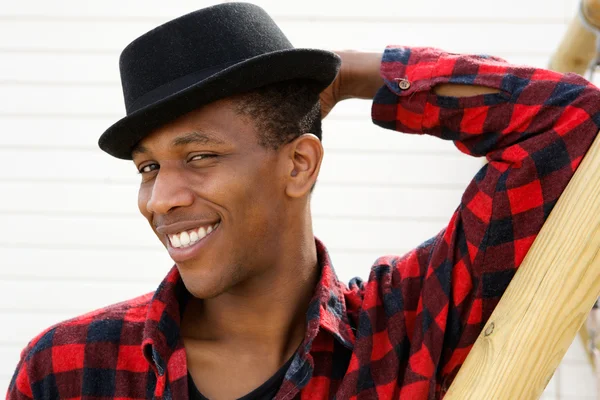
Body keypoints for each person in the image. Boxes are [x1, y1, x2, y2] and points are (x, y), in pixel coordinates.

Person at [7, 3, 600, 400]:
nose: (161, 199)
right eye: (149, 168)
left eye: (199, 156)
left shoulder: (406, 328)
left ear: (299, 164)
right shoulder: (69, 371)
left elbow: (575, 120)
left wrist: (347, 76)